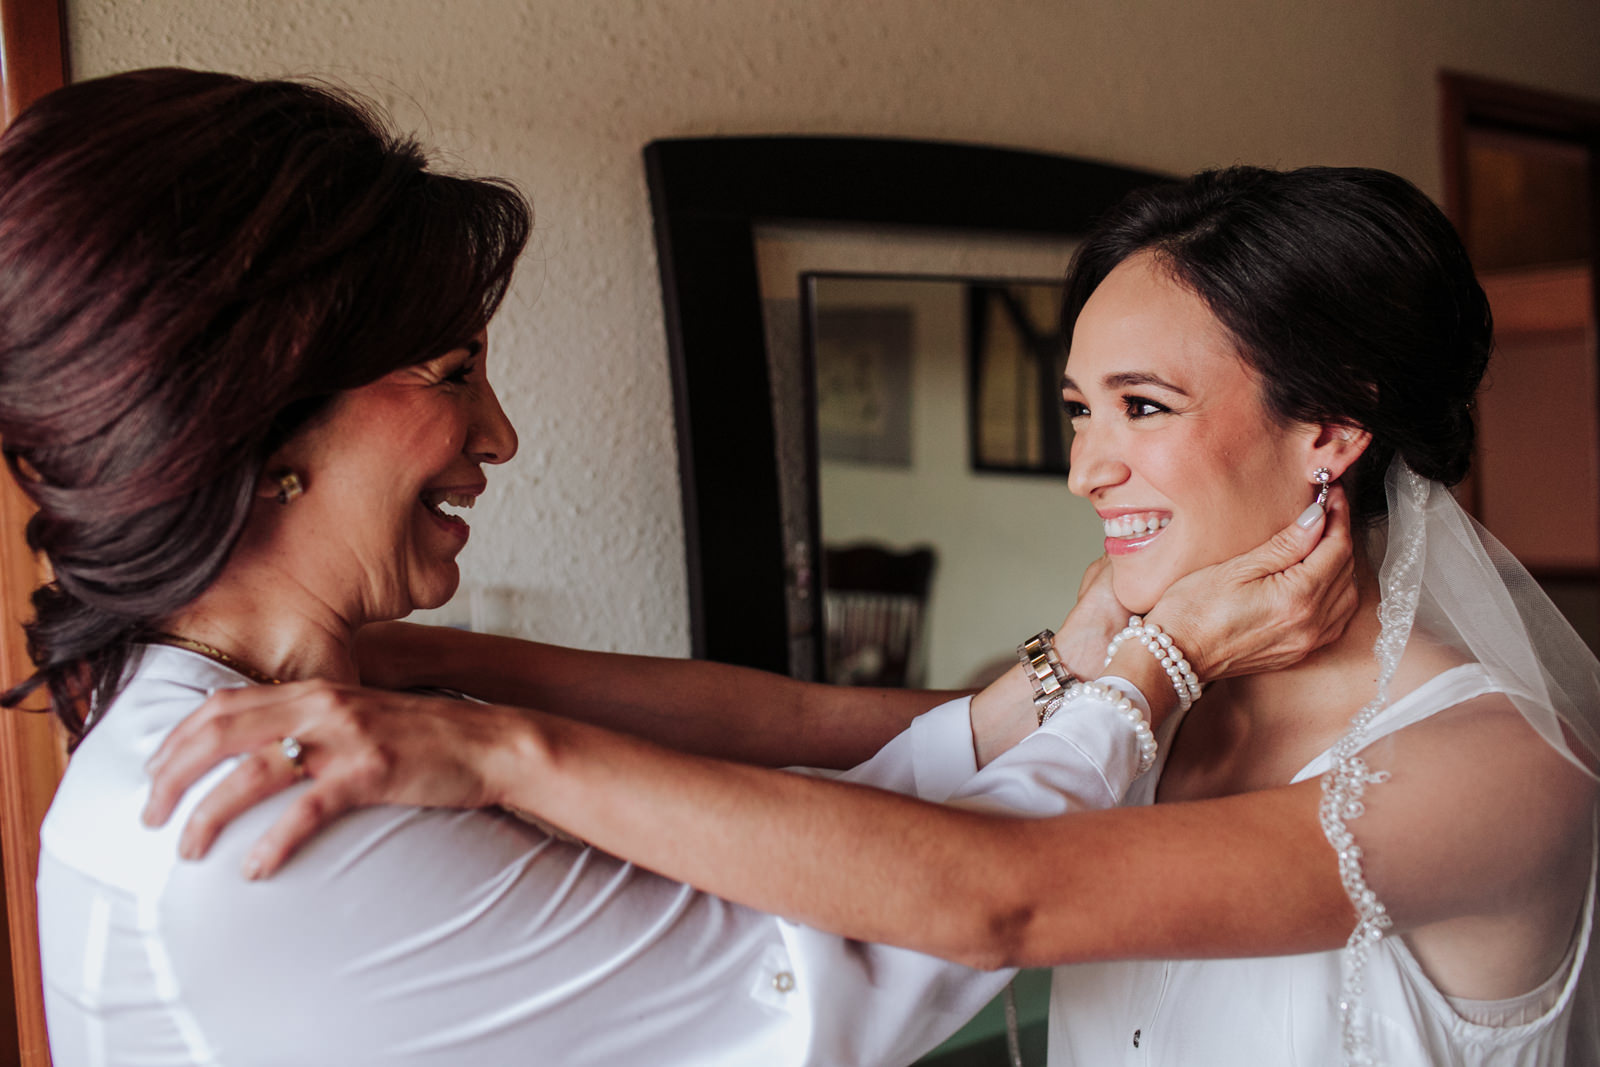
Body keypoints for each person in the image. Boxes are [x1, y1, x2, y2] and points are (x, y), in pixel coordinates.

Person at [0, 69, 1353, 1066]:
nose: (500, 434)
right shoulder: (254, 814)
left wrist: (1081, 653)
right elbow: (878, 937)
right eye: (452, 373)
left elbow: (813, 829)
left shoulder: (317, 720)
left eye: (1141, 410)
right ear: (265, 412)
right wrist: (1153, 668)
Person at [146, 164, 1600, 1066]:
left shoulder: (1489, 776)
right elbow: (846, 732)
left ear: (1328, 435)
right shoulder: (1157, 674)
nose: (1088, 465)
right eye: (1080, 410)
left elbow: (1003, 896)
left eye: (1143, 411)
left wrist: (499, 755)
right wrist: (429, 662)